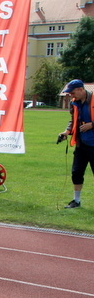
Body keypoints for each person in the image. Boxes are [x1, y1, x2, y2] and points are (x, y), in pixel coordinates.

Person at [58, 79, 94, 208]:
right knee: (76, 172)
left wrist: (92, 125)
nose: (71, 96)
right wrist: (66, 132)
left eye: (73, 93)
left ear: (81, 89)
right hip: (81, 144)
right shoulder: (74, 103)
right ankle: (76, 201)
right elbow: (73, 120)